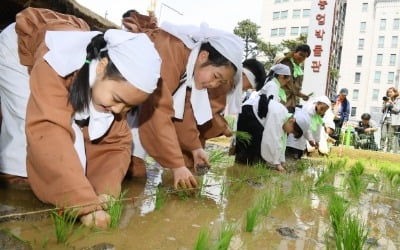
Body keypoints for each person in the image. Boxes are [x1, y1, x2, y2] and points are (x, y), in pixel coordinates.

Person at [0, 8, 161, 228]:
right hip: (19, 52)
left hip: (68, 61)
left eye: (128, 106)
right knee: (26, 139)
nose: (118, 110)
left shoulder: (109, 89)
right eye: (117, 99)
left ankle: (69, 189)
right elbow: (48, 129)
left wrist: (105, 193)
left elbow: (117, 144)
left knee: (76, 150)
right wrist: (85, 205)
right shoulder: (56, 61)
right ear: (102, 67)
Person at [122, 10, 244, 188]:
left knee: (134, 172)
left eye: (220, 82)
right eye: (216, 76)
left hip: (133, 108)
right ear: (203, 56)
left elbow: (184, 110)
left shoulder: (189, 66)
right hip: (111, 100)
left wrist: (195, 148)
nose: (214, 84)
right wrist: (176, 164)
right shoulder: (172, 50)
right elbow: (158, 109)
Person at [235, 91, 311, 171]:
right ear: (292, 121)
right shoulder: (279, 115)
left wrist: (281, 161)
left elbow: (281, 143)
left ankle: (249, 166)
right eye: (292, 131)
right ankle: (243, 166)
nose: (289, 133)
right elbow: (271, 139)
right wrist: (277, 164)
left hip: (254, 117)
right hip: (247, 113)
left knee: (256, 148)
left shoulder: (285, 119)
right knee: (252, 145)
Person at [275, 44, 311, 110]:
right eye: (301, 54)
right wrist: (301, 95)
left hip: (289, 102)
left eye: (304, 57)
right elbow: (289, 85)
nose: (302, 58)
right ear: (294, 52)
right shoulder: (286, 63)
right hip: (280, 99)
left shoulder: (298, 68)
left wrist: (302, 95)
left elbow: (294, 88)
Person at [380, 87, 400, 152]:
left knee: (390, 136)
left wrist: (391, 103)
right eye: (388, 92)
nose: (389, 93)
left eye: (391, 92)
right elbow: (382, 111)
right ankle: (381, 149)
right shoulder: (387, 99)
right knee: (383, 135)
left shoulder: (398, 100)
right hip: (385, 119)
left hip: (393, 120)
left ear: (395, 92)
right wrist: (385, 103)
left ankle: (388, 150)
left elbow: (397, 110)